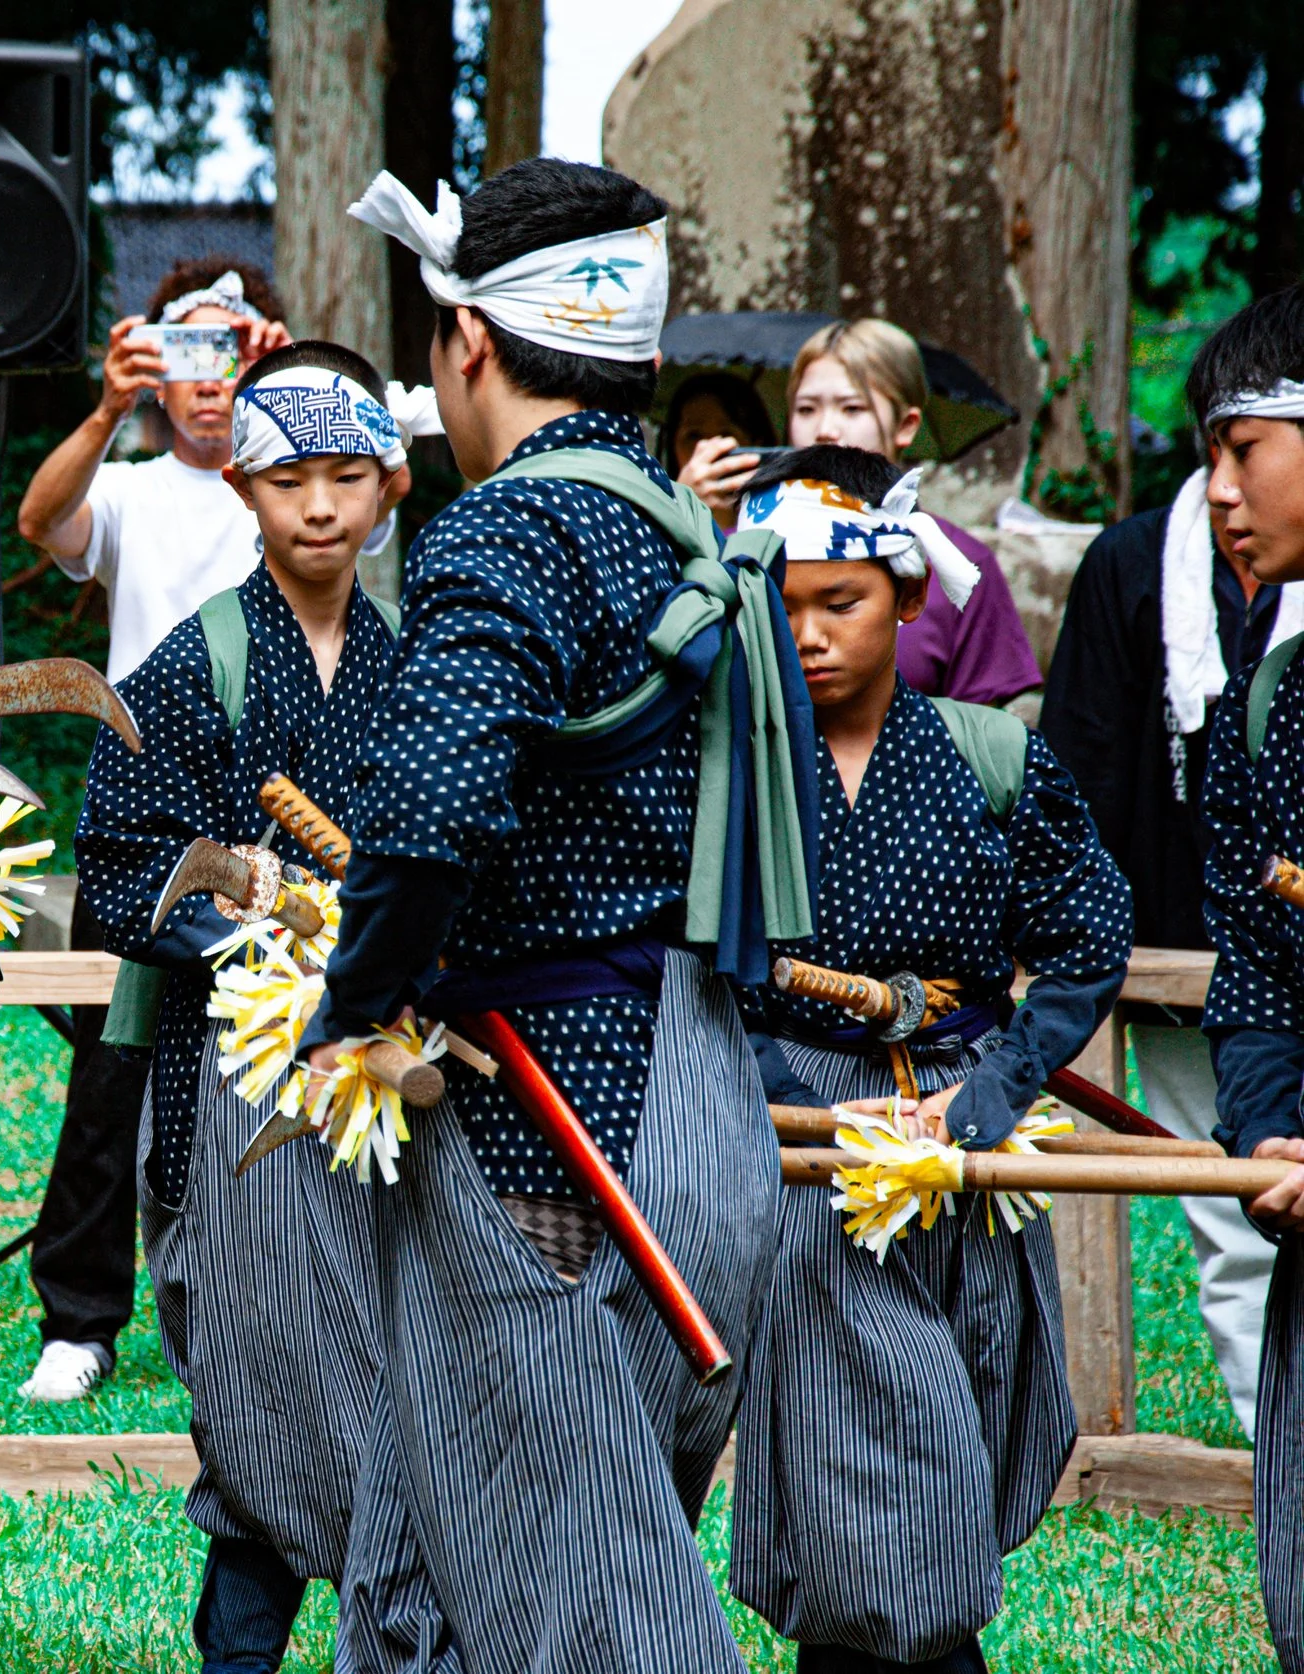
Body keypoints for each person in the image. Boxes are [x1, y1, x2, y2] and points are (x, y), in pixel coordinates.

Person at [315, 156, 811, 1671]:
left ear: (468, 343)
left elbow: (428, 814)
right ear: (642, 358)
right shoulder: (681, 526)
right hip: (701, 1114)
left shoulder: (508, 532)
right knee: (434, 1587)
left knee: (579, 1612)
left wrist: (354, 997)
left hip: (551, 1143)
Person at [725, 446, 1130, 1674]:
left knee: (953, 1439)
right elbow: (697, 975)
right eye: (779, 608)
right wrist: (794, 1105)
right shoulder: (732, 779)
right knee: (872, 1450)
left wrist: (991, 1090)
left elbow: (1084, 936)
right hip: (807, 1149)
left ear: (906, 598)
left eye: (838, 603)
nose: (807, 636)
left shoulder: (987, 757)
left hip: (966, 1128)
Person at [76, 340, 445, 1672]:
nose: (323, 506)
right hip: (235, 1080)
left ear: (391, 487)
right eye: (292, 478)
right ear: (244, 486)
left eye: (351, 476)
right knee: (255, 1403)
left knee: (391, 1400)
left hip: (383, 1086)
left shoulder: (420, 669)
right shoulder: (192, 663)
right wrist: (254, 934)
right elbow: (120, 866)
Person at [10, 261, 294, 1403]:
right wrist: (103, 405)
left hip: (280, 793)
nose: (208, 377)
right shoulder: (127, 481)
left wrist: (288, 398)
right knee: (112, 1062)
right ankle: (77, 1321)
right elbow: (41, 522)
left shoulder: (302, 474)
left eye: (231, 351)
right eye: (187, 352)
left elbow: (334, 526)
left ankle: (260, 1298)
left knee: (281, 1050)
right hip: (144, 798)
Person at [1041, 430, 1288, 1438]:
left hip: (1275, 930)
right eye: (1215, 453)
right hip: (1180, 928)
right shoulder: (1133, 560)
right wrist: (1084, 927)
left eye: (1253, 450)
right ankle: (1272, 1440)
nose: (1228, 491)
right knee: (1236, 1208)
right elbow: (1083, 753)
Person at [1190, 285, 1304, 1670]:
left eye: (1243, 449)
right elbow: (1260, 978)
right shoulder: (1265, 709)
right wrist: (1270, 1132)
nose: (1219, 492)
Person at [783, 318, 1043, 709]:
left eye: (852, 408)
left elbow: (982, 728)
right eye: (806, 409)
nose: (825, 430)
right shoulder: (747, 546)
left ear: (906, 425)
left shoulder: (958, 563)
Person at [663, 368, 774, 527]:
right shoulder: (653, 516)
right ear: (673, 444)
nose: (709, 447)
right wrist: (683, 507)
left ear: (757, 443)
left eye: (726, 434)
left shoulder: (780, 516)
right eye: (693, 435)